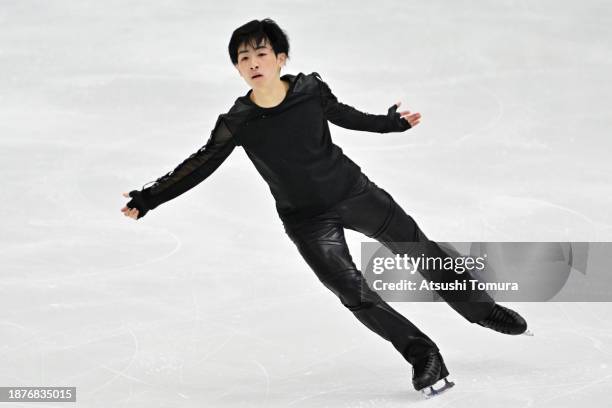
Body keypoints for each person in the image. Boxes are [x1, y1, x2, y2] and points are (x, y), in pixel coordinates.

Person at [120, 18, 529, 397]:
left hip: (354, 193)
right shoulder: (238, 121)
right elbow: (201, 163)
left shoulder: (309, 90)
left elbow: (344, 115)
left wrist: (390, 123)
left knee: (420, 250)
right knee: (353, 292)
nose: (253, 63)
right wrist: (148, 197)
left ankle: (481, 310)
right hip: (307, 220)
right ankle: (424, 355)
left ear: (280, 59)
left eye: (262, 53)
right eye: (243, 57)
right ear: (237, 68)